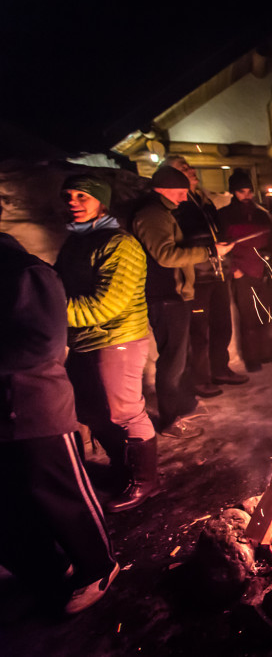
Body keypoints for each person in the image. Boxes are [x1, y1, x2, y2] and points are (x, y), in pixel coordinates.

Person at [0, 218, 119, 614]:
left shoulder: (24, 271)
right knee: (12, 500)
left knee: (60, 493)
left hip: (35, 405)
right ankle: (47, 567)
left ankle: (98, 566)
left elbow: (43, 343)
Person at [54, 175, 159, 512]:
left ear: (102, 202)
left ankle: (146, 481)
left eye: (83, 196)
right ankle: (121, 466)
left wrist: (48, 306)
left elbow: (106, 305)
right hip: (85, 339)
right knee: (88, 408)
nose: (73, 201)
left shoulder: (120, 244)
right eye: (69, 195)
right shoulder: (76, 242)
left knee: (125, 411)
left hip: (118, 338)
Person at [133, 165, 233, 438]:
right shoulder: (152, 215)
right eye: (180, 192)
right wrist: (210, 251)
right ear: (162, 190)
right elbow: (166, 256)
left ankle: (181, 406)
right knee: (172, 359)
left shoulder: (162, 212)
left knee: (179, 355)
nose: (184, 198)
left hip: (176, 294)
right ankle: (169, 419)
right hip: (166, 296)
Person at [164, 155, 247, 395]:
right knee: (200, 332)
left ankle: (220, 369)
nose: (190, 170)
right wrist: (208, 250)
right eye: (183, 168)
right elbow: (179, 244)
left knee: (222, 326)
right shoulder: (177, 204)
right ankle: (201, 379)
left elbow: (212, 233)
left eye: (189, 166)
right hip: (197, 278)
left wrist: (224, 248)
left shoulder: (203, 200)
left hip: (218, 272)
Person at [219, 169, 272, 372]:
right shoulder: (225, 216)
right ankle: (252, 357)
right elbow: (221, 247)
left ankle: (268, 352)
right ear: (233, 192)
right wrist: (235, 270)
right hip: (243, 273)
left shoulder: (261, 214)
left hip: (264, 271)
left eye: (249, 191)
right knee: (249, 318)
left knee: (267, 315)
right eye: (242, 192)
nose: (246, 195)